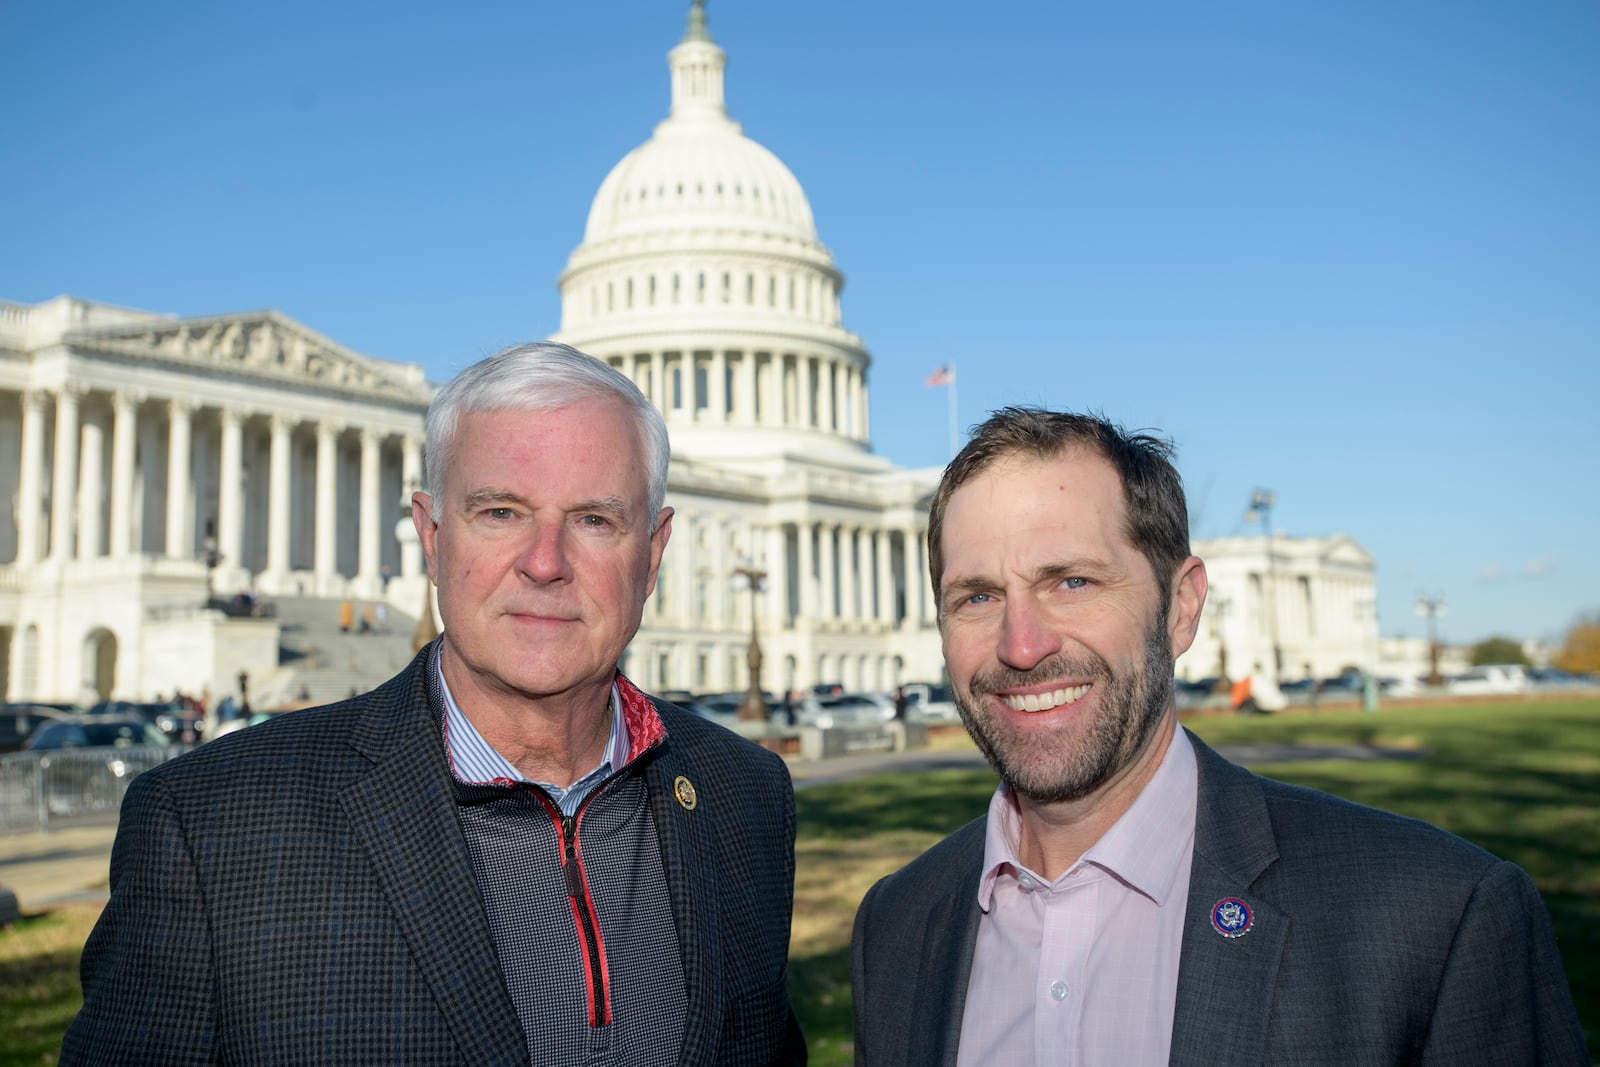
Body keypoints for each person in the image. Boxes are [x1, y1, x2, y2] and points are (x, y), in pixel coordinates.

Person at [66, 342, 806, 1065]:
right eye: (501, 512)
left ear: (651, 554)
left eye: (594, 519)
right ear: (430, 537)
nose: (545, 563)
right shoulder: (209, 826)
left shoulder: (745, 795)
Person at [851, 407, 1584, 1066]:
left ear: (1181, 607)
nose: (1021, 642)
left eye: (1071, 581)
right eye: (977, 596)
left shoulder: (1436, 918)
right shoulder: (898, 925)